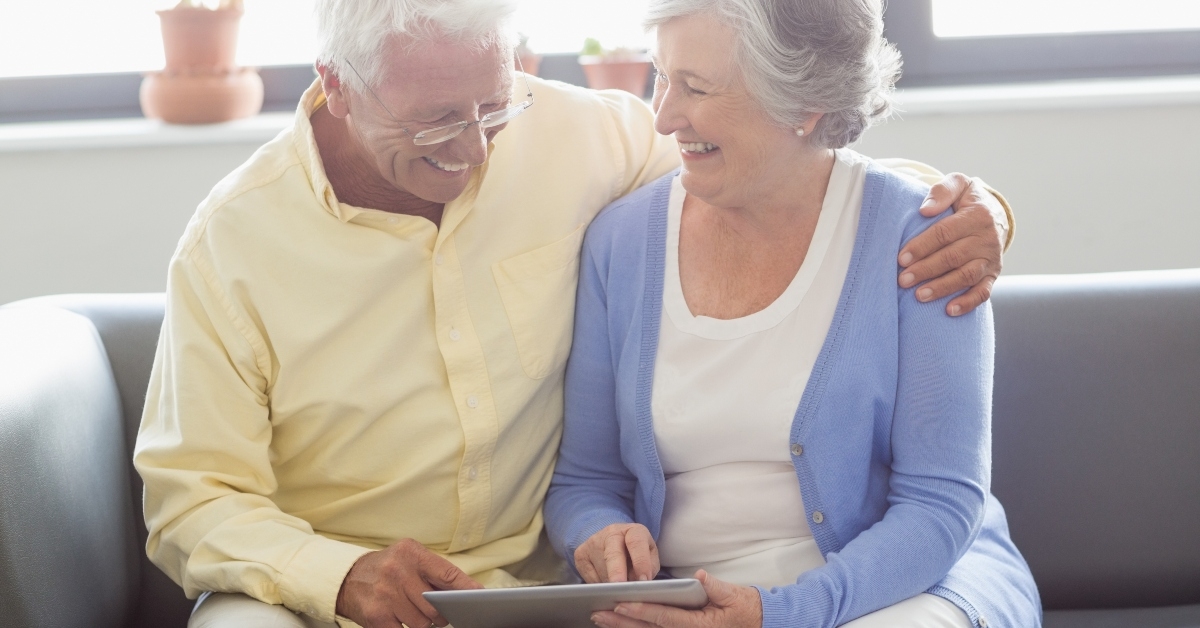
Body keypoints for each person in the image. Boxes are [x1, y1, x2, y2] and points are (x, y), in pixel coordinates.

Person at [133, 0, 1016, 627]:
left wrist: (979, 212)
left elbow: (788, 160)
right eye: (437, 123)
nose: (474, 150)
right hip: (328, 591)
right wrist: (339, 575)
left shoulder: (587, 138)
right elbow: (190, 502)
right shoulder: (234, 244)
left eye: (493, 106)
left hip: (535, 591)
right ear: (339, 84)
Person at [543, 1, 1040, 627]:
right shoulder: (619, 241)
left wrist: (778, 615)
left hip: (900, 592)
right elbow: (586, 480)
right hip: (684, 605)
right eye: (661, 76)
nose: (664, 116)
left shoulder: (929, 242)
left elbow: (939, 505)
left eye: (696, 87)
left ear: (805, 105)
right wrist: (601, 532)